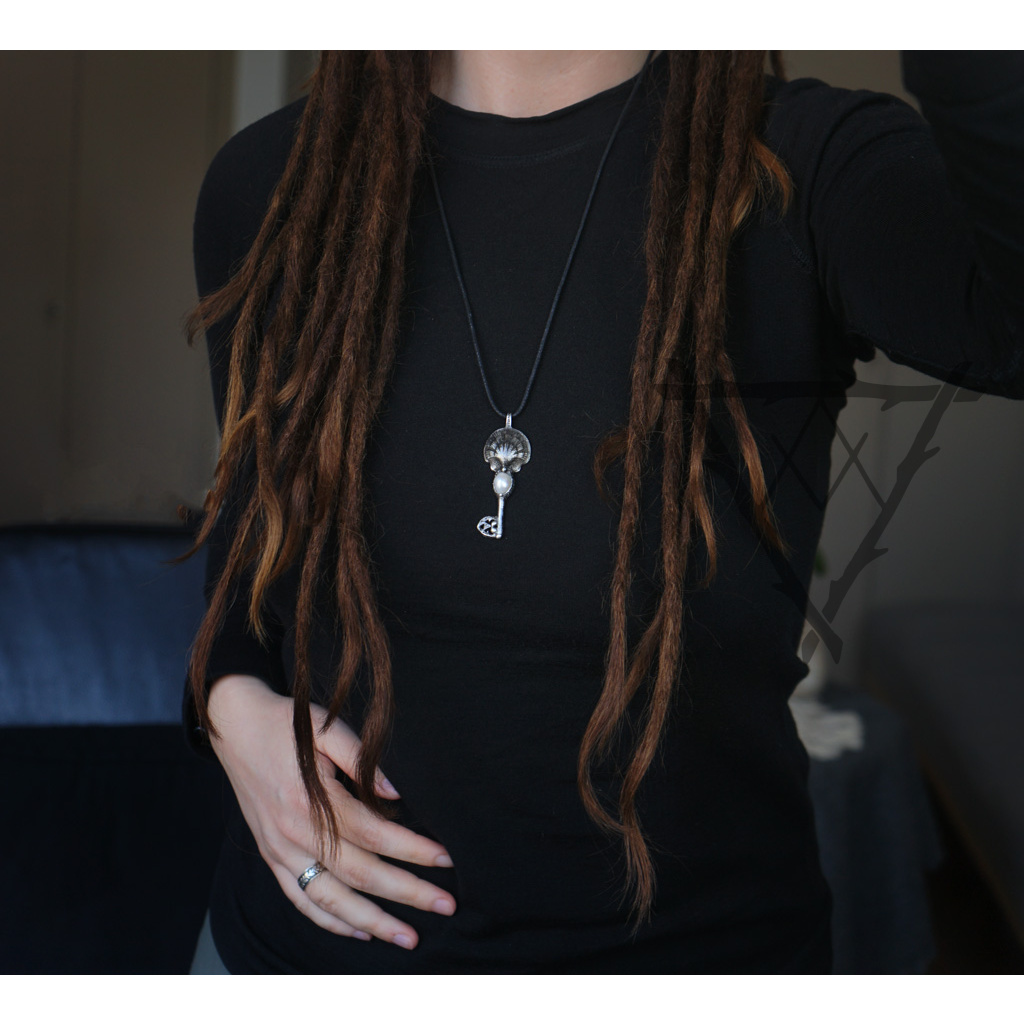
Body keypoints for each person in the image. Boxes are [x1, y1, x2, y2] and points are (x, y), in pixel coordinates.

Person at [182, 50, 1024, 974]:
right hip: (289, 961)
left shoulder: (806, 165)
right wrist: (226, 704)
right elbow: (253, 548)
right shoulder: (270, 181)